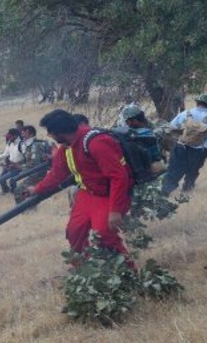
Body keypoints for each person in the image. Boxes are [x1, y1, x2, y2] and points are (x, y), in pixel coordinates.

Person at [25, 109, 134, 260]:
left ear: (59, 133)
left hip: (109, 195)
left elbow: (119, 177)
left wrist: (115, 210)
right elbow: (57, 174)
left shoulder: (96, 143)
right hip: (87, 194)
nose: (50, 137)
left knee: (104, 234)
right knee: (74, 232)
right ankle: (83, 269)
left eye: (50, 133)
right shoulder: (67, 147)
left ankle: (126, 271)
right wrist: (36, 189)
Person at [13, 125, 51, 202]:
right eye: (22, 133)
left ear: (31, 134)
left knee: (18, 190)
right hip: (33, 173)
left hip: (37, 174)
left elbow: (35, 164)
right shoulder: (28, 145)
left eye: (24, 133)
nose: (22, 135)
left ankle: (26, 208)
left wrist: (20, 167)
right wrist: (15, 164)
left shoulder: (36, 145)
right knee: (30, 193)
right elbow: (27, 160)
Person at [0, 128, 24, 194]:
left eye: (10, 137)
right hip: (9, 164)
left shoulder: (22, 144)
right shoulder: (9, 143)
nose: (8, 138)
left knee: (12, 180)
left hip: (17, 166)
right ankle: (6, 190)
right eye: (8, 137)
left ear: (15, 136)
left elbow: (25, 157)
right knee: (1, 179)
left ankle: (14, 191)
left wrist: (18, 165)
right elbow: (6, 153)